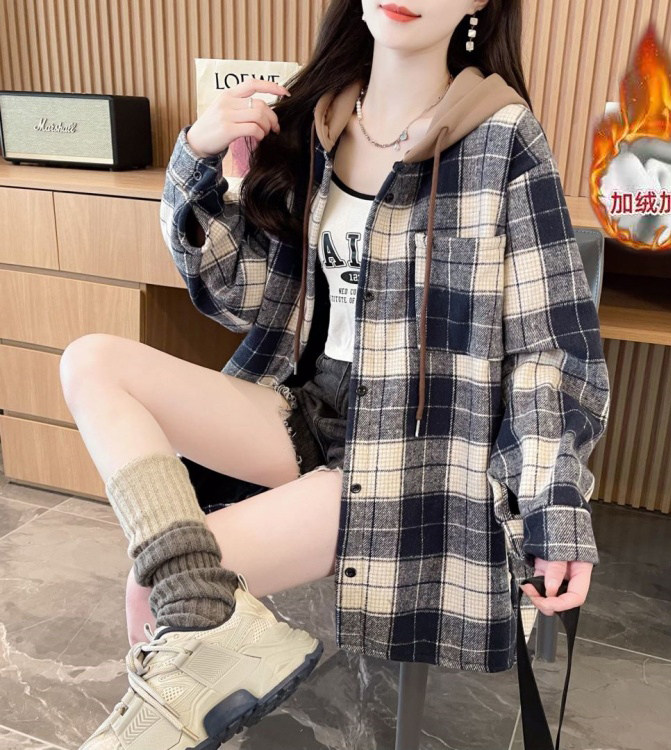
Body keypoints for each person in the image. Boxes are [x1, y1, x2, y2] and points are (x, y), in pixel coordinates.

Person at [65, 0, 610, 747]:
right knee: (91, 360)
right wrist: (197, 159)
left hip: (411, 452)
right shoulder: (315, 121)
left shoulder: (504, 139)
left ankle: (175, 695)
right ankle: (206, 644)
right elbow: (244, 297)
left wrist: (554, 507)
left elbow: (549, 348)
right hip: (304, 400)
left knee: (151, 584)